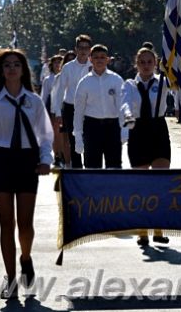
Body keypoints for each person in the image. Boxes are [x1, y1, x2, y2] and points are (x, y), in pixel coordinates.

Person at [0, 49, 53, 298]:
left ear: (23, 70)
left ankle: (26, 257)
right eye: (7, 65)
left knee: (25, 222)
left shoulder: (34, 100)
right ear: (1, 70)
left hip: (27, 160)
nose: (11, 69)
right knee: (6, 223)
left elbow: (45, 135)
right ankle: (10, 278)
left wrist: (45, 160)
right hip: (2, 160)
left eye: (16, 64)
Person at [121, 47, 171, 246]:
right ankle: (142, 231)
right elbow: (124, 103)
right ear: (136, 63)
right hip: (138, 129)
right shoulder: (129, 84)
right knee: (141, 184)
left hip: (158, 129)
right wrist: (127, 117)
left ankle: (158, 229)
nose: (146, 65)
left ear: (156, 63)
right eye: (142, 62)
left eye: (149, 61)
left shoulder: (164, 82)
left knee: (159, 183)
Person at [73, 44, 124, 169]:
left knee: (114, 166)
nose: (99, 60)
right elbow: (79, 111)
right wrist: (78, 135)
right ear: (90, 59)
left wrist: (124, 129)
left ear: (108, 59)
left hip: (112, 127)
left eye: (102, 57)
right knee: (92, 166)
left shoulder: (116, 80)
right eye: (96, 57)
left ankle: (112, 189)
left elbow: (122, 107)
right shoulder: (84, 82)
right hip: (92, 127)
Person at [52, 35, 93, 168]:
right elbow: (60, 91)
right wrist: (58, 112)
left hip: (89, 108)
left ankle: (90, 169)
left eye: (86, 48)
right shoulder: (68, 67)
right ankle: (77, 170)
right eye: (81, 48)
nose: (83, 51)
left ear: (90, 50)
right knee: (74, 140)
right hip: (71, 108)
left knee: (89, 139)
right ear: (76, 49)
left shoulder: (93, 66)